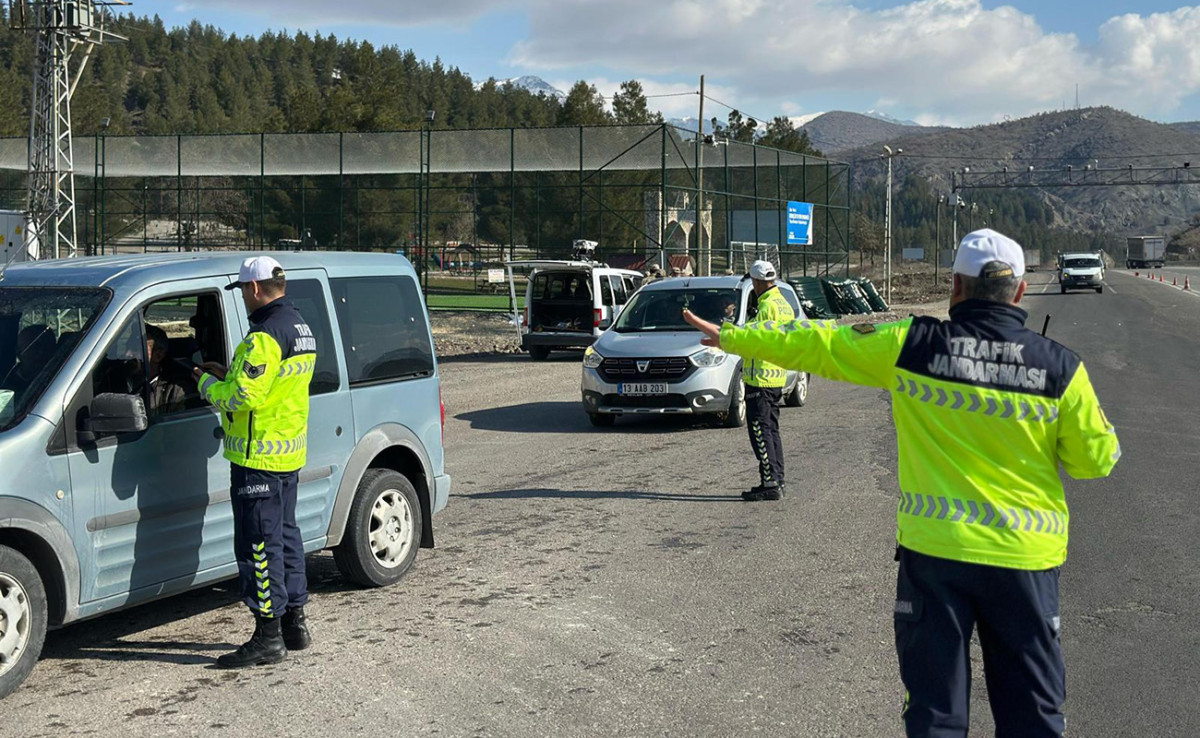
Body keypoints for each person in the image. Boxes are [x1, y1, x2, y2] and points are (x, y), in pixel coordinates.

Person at [683, 229, 1120, 737]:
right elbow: (1095, 461)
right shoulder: (1061, 368)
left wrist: (734, 337)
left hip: (936, 559)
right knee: (1034, 717)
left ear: (956, 286)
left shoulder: (911, 345)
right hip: (1025, 563)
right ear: (1020, 292)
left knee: (934, 715)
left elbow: (819, 344)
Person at [194, 256, 317, 669]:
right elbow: (271, 386)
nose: (245, 298)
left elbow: (242, 397)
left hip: (257, 457)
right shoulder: (300, 327)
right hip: (287, 453)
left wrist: (205, 383)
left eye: (244, 291)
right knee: (286, 538)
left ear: (254, 289)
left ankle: (267, 636)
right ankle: (294, 625)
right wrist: (229, 374)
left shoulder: (264, 336)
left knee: (258, 547)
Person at [739, 260, 795, 501]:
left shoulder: (766, 307)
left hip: (760, 377)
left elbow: (754, 337)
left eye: (753, 281)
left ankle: (770, 482)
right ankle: (776, 478)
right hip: (776, 376)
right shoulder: (784, 304)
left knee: (760, 432)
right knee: (772, 431)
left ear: (757, 282)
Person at [1, 324, 55, 396]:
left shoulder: (61, 380)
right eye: (35, 347)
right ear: (19, 352)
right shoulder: (5, 383)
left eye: (48, 347)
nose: (42, 352)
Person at [144, 324, 187, 414]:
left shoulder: (174, 391)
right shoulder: (119, 377)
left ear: (158, 355)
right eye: (128, 347)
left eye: (139, 350)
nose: (128, 354)